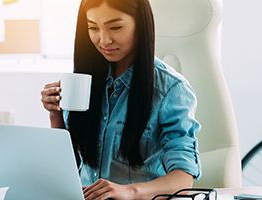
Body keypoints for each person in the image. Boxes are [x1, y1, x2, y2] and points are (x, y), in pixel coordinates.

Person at [40, 0, 201, 199]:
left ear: (140, 24)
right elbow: (65, 168)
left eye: (115, 27)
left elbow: (184, 178)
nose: (104, 40)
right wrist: (55, 115)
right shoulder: (85, 81)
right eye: (93, 28)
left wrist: (128, 192)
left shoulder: (171, 89)